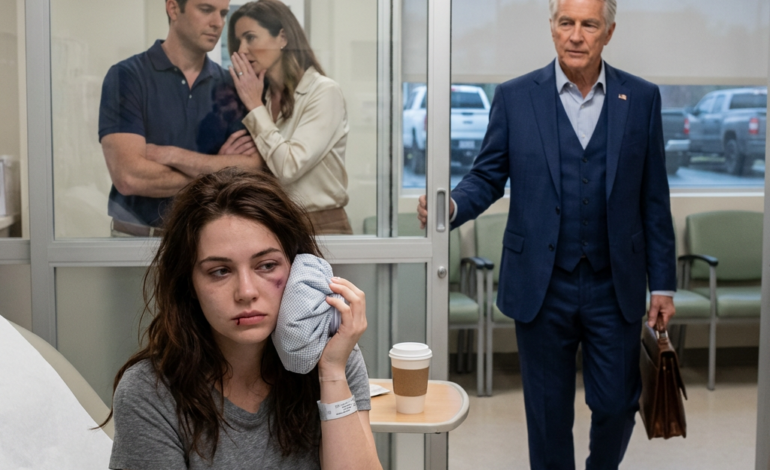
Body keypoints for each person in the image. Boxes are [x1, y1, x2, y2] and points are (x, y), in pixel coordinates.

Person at [418, 0, 676, 468]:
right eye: (565, 23)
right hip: (540, 282)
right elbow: (487, 176)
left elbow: (654, 197)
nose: (576, 35)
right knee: (547, 415)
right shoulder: (516, 97)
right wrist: (452, 205)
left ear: (608, 33)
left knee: (617, 404)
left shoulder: (641, 98)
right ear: (552, 28)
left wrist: (663, 283)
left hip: (614, 284)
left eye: (589, 24)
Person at [104, 168, 382, 469]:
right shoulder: (149, 392)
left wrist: (332, 374)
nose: (246, 292)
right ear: (190, 285)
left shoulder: (333, 356)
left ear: (299, 269)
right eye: (220, 271)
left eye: (266, 265)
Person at [99, 0, 262, 237]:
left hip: (206, 243)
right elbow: (129, 177)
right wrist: (219, 168)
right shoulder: (127, 76)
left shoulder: (230, 86)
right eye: (206, 9)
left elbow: (251, 169)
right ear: (174, 8)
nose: (218, 23)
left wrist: (171, 156)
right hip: (137, 240)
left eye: (223, 13)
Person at [226, 0, 352, 235]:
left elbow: (288, 168)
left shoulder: (324, 91)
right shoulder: (263, 97)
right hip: (277, 222)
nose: (241, 50)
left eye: (250, 37)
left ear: (282, 37)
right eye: (238, 41)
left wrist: (254, 105)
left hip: (321, 225)